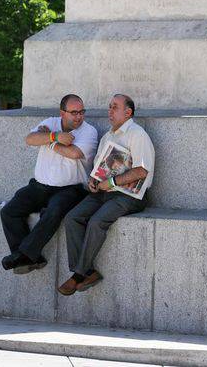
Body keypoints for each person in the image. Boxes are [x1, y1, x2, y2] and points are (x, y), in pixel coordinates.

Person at [58, 94, 155, 295]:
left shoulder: (137, 134)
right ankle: (89, 272)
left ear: (128, 112)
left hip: (129, 196)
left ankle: (78, 275)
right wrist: (93, 182)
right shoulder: (107, 137)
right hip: (104, 192)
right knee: (72, 218)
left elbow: (141, 171)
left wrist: (110, 182)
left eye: (115, 107)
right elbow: (98, 169)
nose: (109, 111)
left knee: (96, 221)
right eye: (109, 107)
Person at [0, 94, 98, 275]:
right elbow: (30, 139)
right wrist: (54, 136)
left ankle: (22, 255)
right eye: (74, 112)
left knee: (53, 211)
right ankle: (29, 258)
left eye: (81, 112)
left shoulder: (88, 131)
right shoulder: (51, 123)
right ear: (62, 113)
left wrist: (48, 142)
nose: (78, 116)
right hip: (39, 186)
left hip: (71, 189)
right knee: (9, 211)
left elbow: (75, 153)